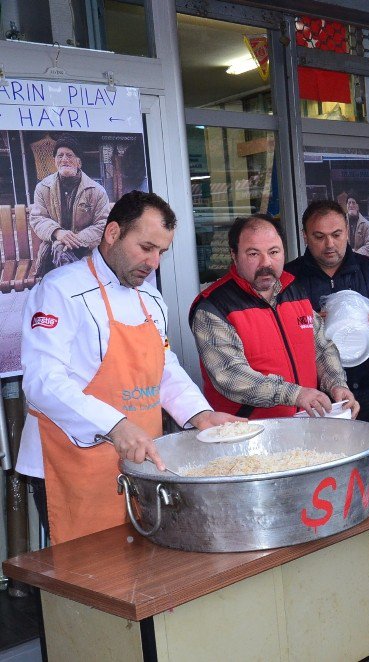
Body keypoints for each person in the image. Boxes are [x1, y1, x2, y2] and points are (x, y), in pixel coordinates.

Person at [18, 191, 239, 544]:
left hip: (140, 462)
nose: (154, 262)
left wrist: (200, 414)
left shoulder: (151, 297)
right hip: (72, 463)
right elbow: (42, 381)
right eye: (146, 247)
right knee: (88, 577)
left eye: (161, 252)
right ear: (113, 233)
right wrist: (116, 425)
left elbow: (164, 368)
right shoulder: (60, 290)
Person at [190, 215, 359, 420]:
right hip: (247, 433)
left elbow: (321, 348)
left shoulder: (294, 290)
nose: (266, 263)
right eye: (253, 254)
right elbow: (230, 375)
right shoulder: (214, 307)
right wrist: (295, 394)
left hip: (303, 427)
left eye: (274, 252)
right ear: (234, 255)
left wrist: (337, 384)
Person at [285, 200, 369, 424]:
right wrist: (302, 325)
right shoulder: (289, 280)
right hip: (315, 396)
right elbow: (275, 333)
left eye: (337, 234)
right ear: (305, 236)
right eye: (319, 237)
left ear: (347, 232)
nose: (329, 244)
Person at [29, 135, 112, 278]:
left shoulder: (96, 191)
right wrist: (58, 233)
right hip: (52, 250)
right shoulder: (43, 188)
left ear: (79, 162)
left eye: (69, 155)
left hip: (86, 249)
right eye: (60, 155)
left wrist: (75, 239)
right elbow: (38, 219)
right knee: (59, 248)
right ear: (55, 161)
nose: (64, 159)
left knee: (62, 249)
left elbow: (102, 224)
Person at [339, 190, 369, 257]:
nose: (351, 205)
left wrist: (355, 254)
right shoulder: (340, 222)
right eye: (349, 203)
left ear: (358, 206)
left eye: (353, 203)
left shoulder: (366, 224)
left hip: (360, 259)